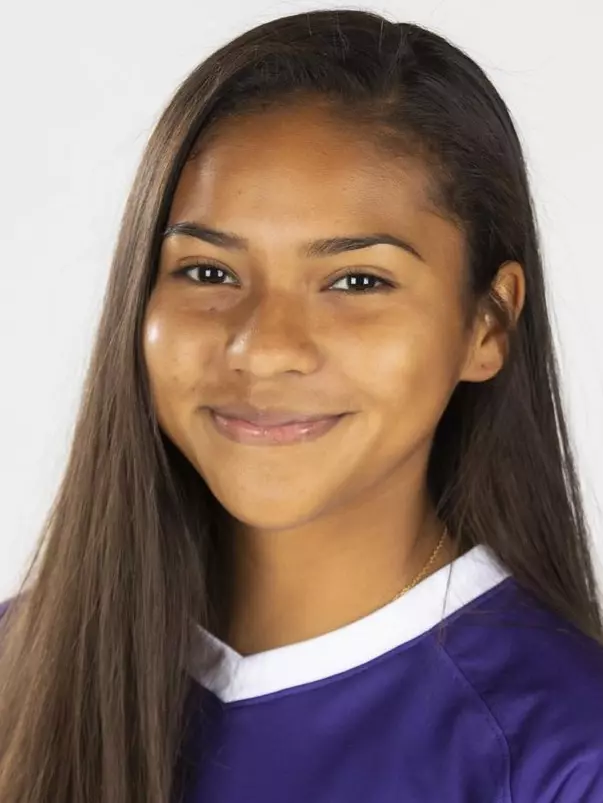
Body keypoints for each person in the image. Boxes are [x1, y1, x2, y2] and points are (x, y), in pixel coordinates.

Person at [0, 7, 602, 802]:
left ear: (485, 324)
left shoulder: (564, 751)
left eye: (357, 282)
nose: (263, 345)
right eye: (208, 272)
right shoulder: (21, 663)